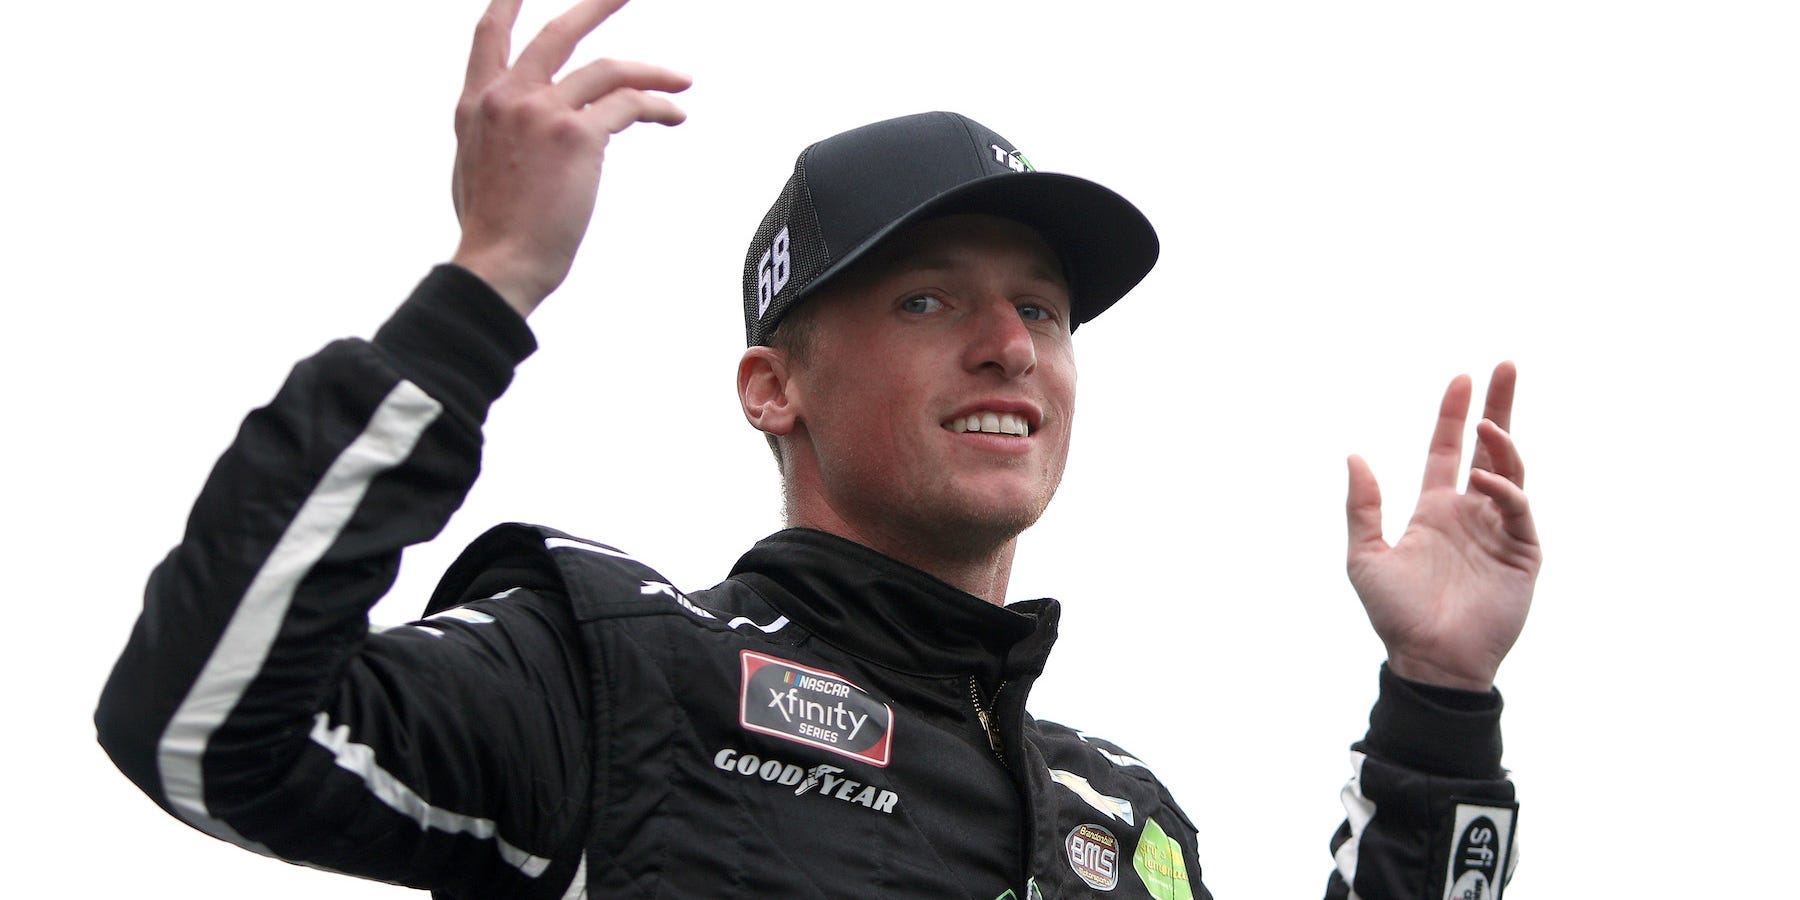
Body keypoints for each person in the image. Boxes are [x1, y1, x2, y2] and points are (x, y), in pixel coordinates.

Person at [95, 0, 1541, 897]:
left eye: (1042, 308)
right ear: (770, 388)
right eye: (930, 299)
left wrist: (1437, 704)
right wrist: (484, 292)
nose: (1009, 346)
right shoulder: (618, 670)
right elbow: (198, 730)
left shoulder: (1124, 816)